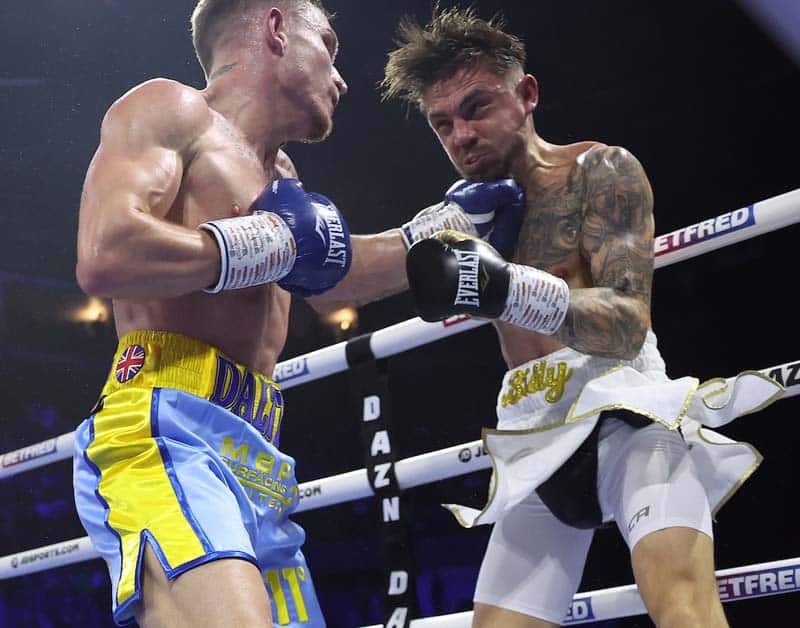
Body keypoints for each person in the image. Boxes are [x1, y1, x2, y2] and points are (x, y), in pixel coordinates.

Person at [72, 1, 526, 626]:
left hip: (258, 452)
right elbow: (106, 253)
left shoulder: (283, 177)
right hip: (165, 427)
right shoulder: (172, 110)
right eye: (330, 44)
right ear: (277, 28)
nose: (340, 77)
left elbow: (331, 281)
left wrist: (435, 234)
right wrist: (243, 246)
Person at [382, 6, 783, 628]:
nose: (461, 134)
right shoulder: (464, 220)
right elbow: (346, 278)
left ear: (527, 94)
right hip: (535, 441)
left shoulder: (600, 170)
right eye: (442, 123)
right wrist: (282, 220)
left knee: (683, 610)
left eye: (477, 107)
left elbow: (628, 320)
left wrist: (508, 289)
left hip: (629, 422)